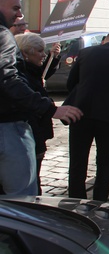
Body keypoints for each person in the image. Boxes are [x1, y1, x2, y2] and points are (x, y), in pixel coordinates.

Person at [0, 0, 82, 197]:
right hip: (9, 127)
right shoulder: (3, 36)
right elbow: (7, 80)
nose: (19, 14)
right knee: (22, 199)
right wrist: (50, 109)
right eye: (16, 8)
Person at [67, 30, 109, 201]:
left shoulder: (85, 53)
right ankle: (100, 200)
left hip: (80, 113)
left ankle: (75, 199)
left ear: (105, 40)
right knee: (105, 159)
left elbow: (71, 83)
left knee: (77, 159)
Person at [15, 33, 61, 194]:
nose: (43, 54)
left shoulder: (31, 70)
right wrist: (51, 108)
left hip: (36, 136)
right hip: (30, 137)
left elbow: (43, 72)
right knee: (29, 183)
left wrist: (52, 56)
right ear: (26, 53)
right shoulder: (19, 75)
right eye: (40, 51)